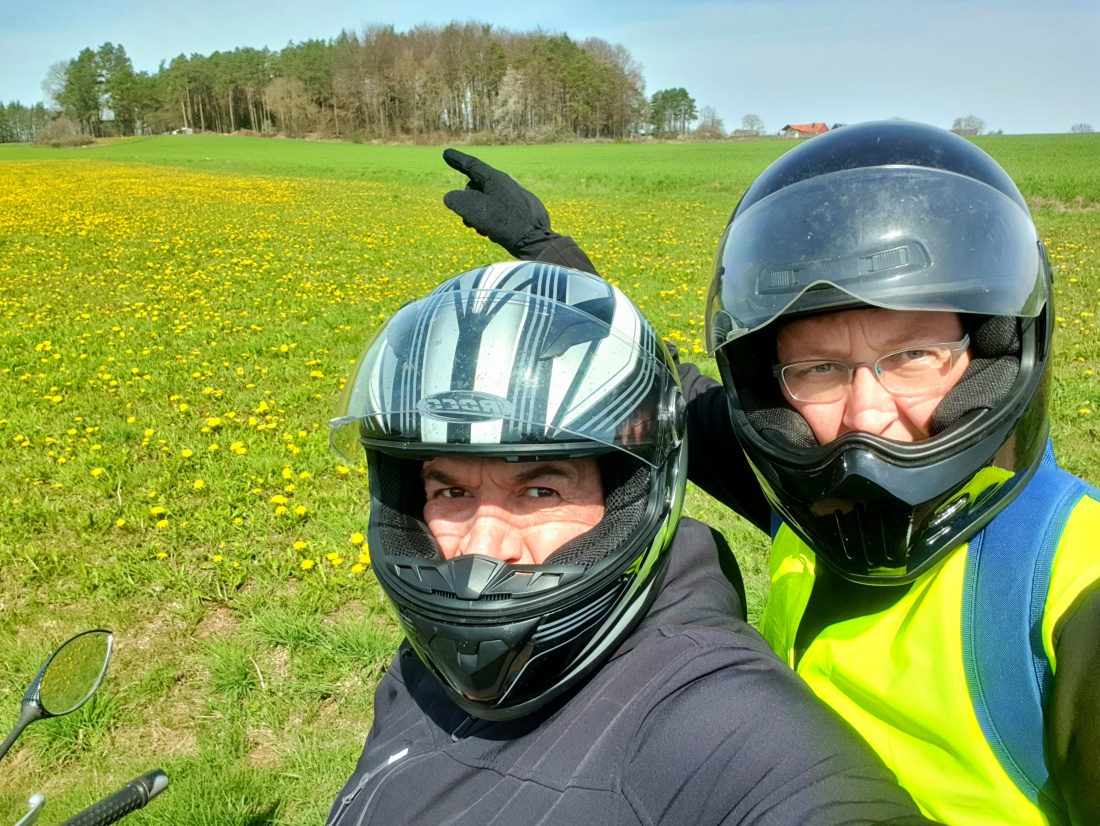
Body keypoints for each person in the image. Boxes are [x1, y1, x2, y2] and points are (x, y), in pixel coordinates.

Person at [441, 122, 1100, 826]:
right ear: (776, 393)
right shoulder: (814, 492)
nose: (865, 417)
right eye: (819, 368)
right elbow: (679, 400)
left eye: (913, 357)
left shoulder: (1070, 588)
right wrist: (556, 260)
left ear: (994, 356)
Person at [325, 261, 937, 825]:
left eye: (540, 493)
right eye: (450, 493)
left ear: (628, 500)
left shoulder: (719, 719)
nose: (481, 547)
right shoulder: (423, 665)